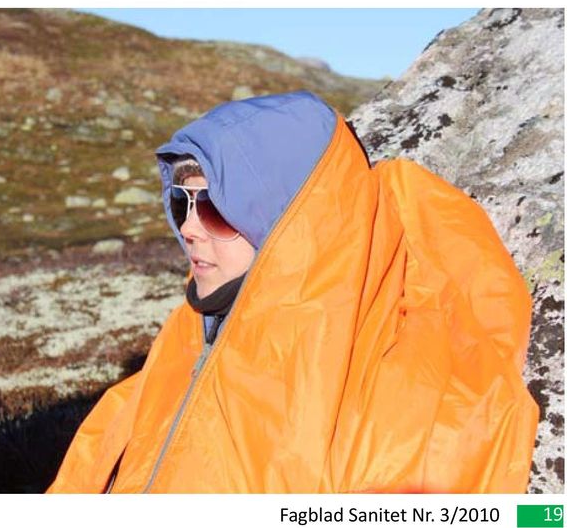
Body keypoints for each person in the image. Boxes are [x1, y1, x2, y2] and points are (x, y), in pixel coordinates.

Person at [48, 91, 538, 494]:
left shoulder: (394, 407)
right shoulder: (186, 339)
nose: (190, 228)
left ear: (289, 226)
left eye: (215, 207)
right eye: (182, 203)